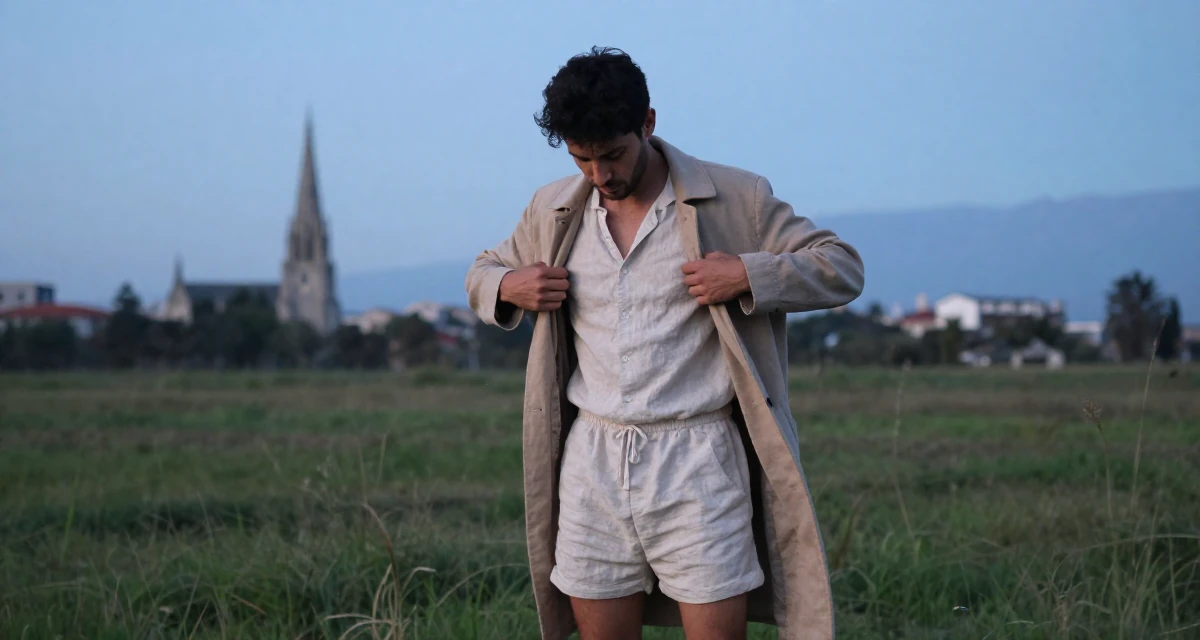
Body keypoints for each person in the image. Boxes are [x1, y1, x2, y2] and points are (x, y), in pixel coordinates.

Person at [465, 47, 864, 640]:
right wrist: (510, 284)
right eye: (582, 158)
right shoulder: (553, 209)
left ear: (648, 122)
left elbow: (841, 266)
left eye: (613, 155)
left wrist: (751, 275)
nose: (600, 174)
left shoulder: (738, 197)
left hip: (699, 458)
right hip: (592, 459)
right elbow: (481, 273)